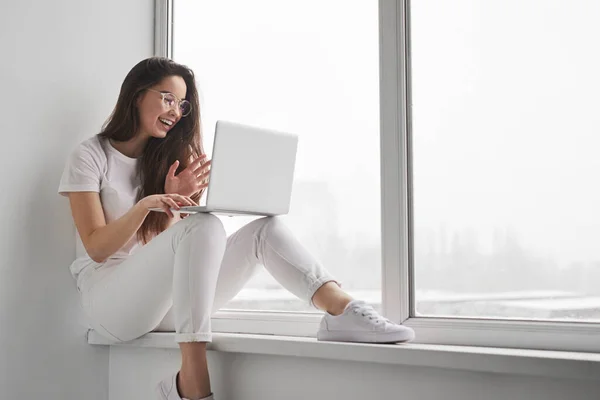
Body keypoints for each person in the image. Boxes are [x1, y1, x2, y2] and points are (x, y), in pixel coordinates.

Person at [58, 57, 414, 400]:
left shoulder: (165, 161)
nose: (174, 111)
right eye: (167, 98)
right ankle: (194, 379)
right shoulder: (91, 155)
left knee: (259, 229)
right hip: (110, 301)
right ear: (136, 95)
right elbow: (97, 248)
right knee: (203, 225)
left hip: (158, 303)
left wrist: (174, 205)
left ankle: (340, 310)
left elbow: (162, 247)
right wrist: (149, 203)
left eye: (182, 105)